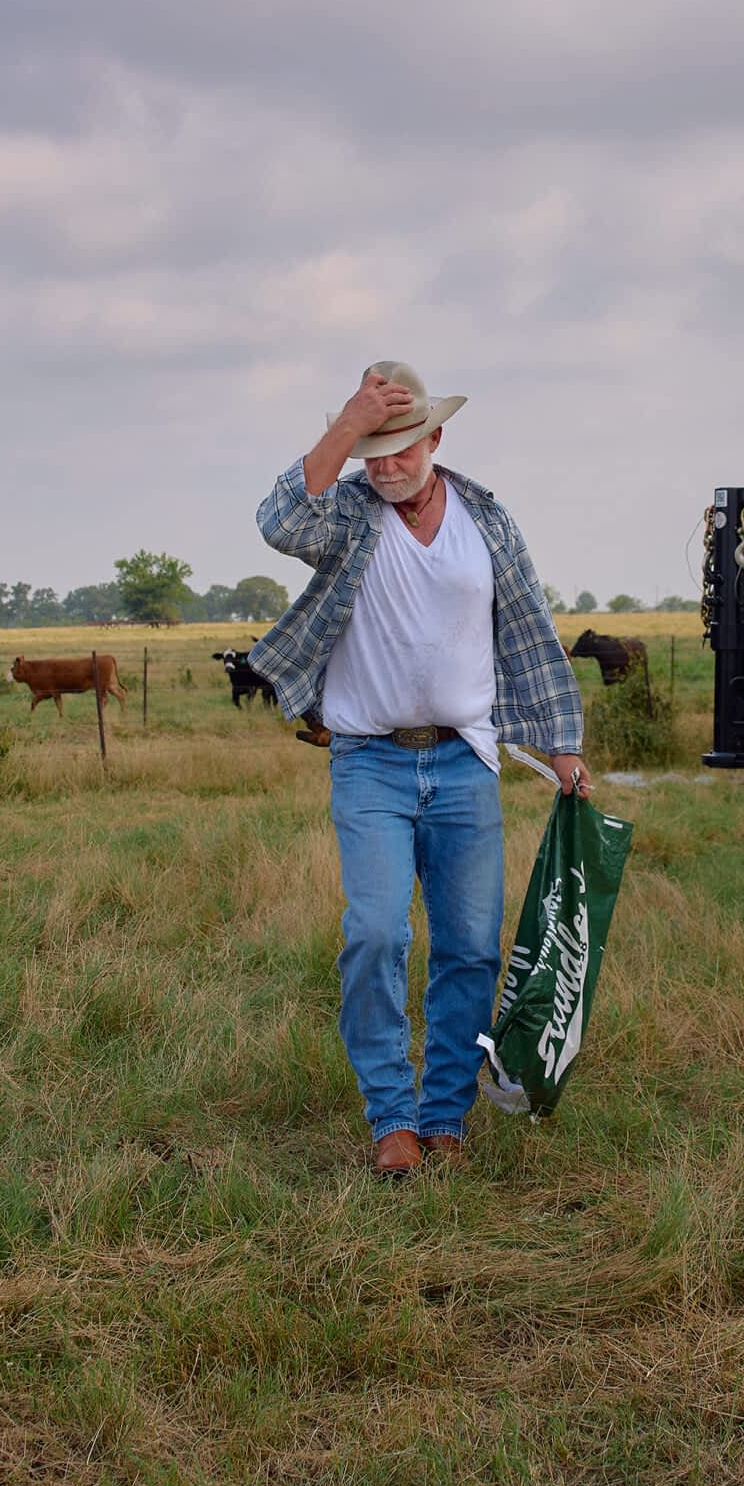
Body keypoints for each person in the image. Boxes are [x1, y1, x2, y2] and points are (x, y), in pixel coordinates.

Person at [250, 362, 590, 1177]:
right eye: (373, 448)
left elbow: (527, 628)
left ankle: (444, 1112)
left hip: (466, 760)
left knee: (471, 948)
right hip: (370, 760)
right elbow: (276, 520)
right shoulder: (348, 515)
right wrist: (347, 423)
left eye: (401, 445)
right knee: (375, 933)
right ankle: (390, 1116)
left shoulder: (486, 518)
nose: (386, 463)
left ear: (437, 438)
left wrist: (560, 742)